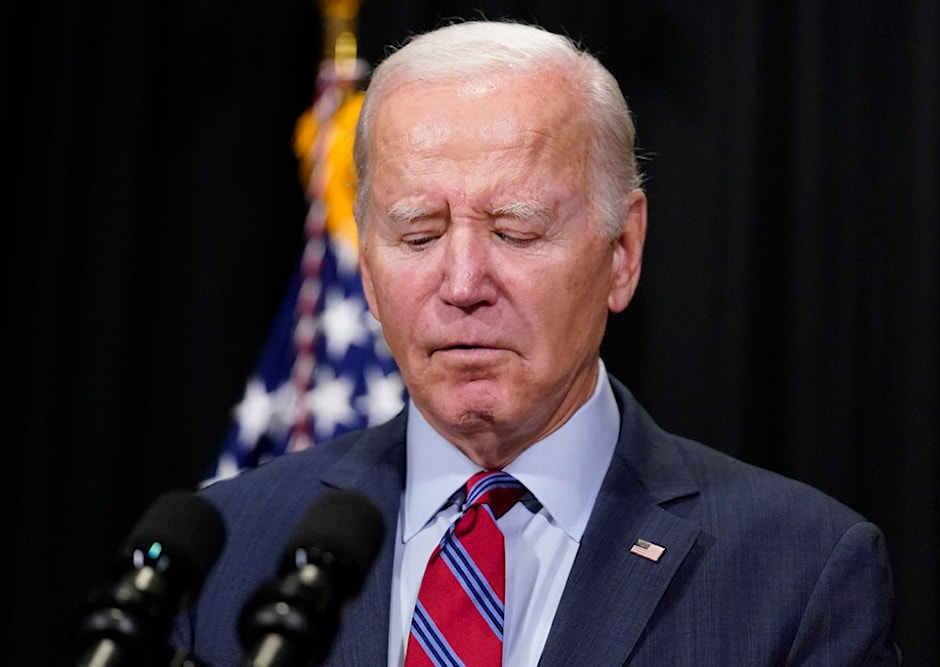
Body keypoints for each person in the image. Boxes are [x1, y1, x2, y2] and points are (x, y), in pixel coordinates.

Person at [172, 19, 899, 666]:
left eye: (514, 231)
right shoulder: (229, 549)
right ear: (366, 266)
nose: (462, 282)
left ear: (622, 251)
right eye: (418, 235)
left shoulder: (797, 575)